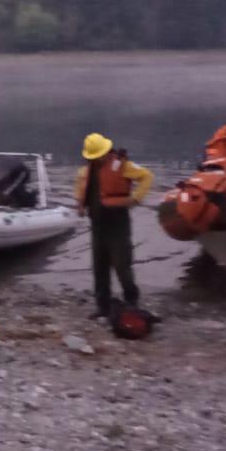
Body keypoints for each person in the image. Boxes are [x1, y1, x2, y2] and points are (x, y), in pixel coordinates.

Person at [74, 133, 154, 320]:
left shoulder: (122, 165)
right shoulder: (86, 170)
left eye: (98, 155)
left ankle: (132, 302)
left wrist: (135, 198)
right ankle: (102, 306)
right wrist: (79, 203)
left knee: (122, 266)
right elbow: (81, 185)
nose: (96, 159)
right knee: (99, 267)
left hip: (118, 225)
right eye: (92, 157)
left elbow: (147, 176)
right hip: (97, 225)